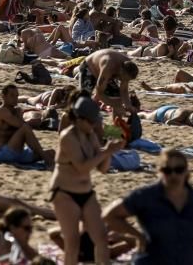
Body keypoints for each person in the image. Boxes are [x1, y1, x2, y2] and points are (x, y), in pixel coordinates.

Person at [104, 148, 193, 265]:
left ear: (186, 172)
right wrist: (137, 236)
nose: (173, 175)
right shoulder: (145, 196)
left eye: (178, 170)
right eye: (167, 170)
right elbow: (109, 215)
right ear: (159, 172)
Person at [49, 95, 123, 265]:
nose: (94, 125)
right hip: (65, 194)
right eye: (91, 122)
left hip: (86, 192)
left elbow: (102, 169)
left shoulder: (90, 135)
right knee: (73, 243)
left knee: (101, 238)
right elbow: (82, 167)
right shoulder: (68, 136)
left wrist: (110, 149)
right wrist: (106, 152)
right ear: (79, 119)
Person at [0, 84, 55, 166]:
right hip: (4, 153)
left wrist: (19, 114)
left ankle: (44, 156)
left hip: (18, 152)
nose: (15, 98)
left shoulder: (15, 110)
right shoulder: (1, 111)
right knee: (25, 128)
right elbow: (22, 126)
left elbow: (18, 129)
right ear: (3, 96)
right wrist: (19, 115)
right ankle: (46, 159)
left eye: (16, 96)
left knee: (51, 152)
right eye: (12, 95)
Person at [74, 49, 139, 116]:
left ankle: (116, 123)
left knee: (117, 97)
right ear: (121, 71)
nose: (123, 81)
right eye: (122, 79)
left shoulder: (128, 67)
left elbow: (124, 90)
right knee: (84, 99)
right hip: (89, 67)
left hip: (105, 71)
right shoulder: (108, 66)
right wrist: (114, 105)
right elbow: (99, 92)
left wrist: (128, 106)